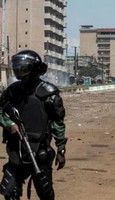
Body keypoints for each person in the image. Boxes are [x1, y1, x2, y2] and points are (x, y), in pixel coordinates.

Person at [0, 50, 68, 200]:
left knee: (45, 193)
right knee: (9, 192)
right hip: (16, 150)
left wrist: (61, 149)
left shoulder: (49, 94)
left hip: (39, 152)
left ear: (35, 69)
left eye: (23, 68)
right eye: (18, 68)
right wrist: (8, 123)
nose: (20, 71)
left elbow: (58, 123)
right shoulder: (12, 91)